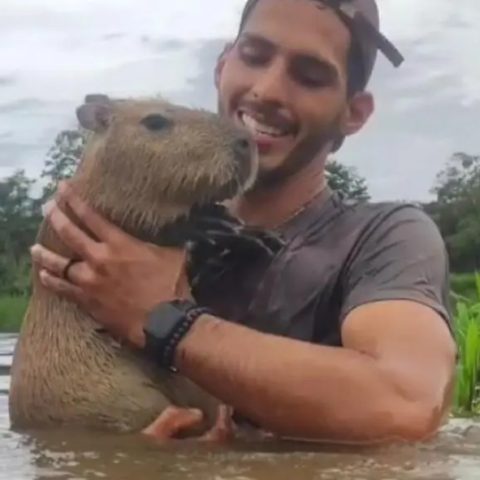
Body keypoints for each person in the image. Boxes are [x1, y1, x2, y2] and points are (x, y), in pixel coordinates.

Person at [30, 0, 457, 445]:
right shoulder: (123, 235)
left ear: (354, 112)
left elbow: (406, 403)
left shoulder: (386, 236)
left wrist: (166, 319)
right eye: (254, 56)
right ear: (222, 66)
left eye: (310, 76)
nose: (268, 90)